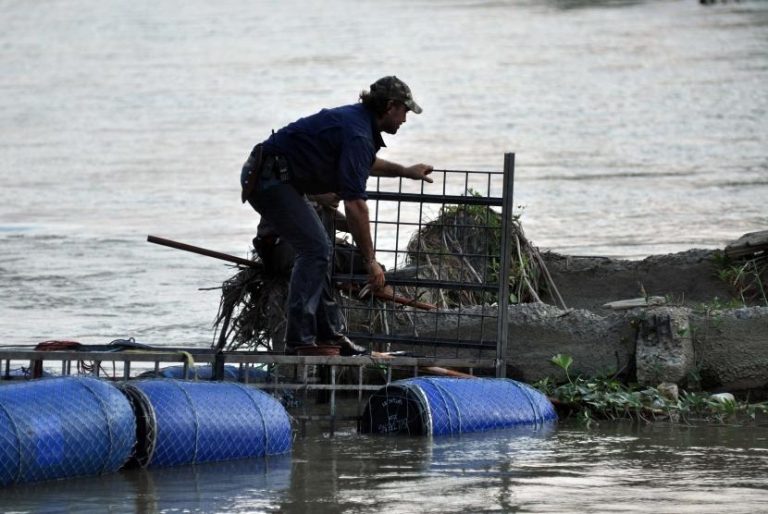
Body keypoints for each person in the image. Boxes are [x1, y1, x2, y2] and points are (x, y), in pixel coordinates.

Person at [240, 76, 433, 355]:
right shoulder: (357, 132)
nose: (405, 118)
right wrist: (370, 262)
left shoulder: (359, 125)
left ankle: (330, 335)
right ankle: (301, 341)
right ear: (391, 106)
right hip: (270, 180)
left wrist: (405, 171)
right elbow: (356, 206)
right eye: (405, 110)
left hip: (282, 180)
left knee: (320, 250)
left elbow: (365, 162)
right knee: (316, 248)